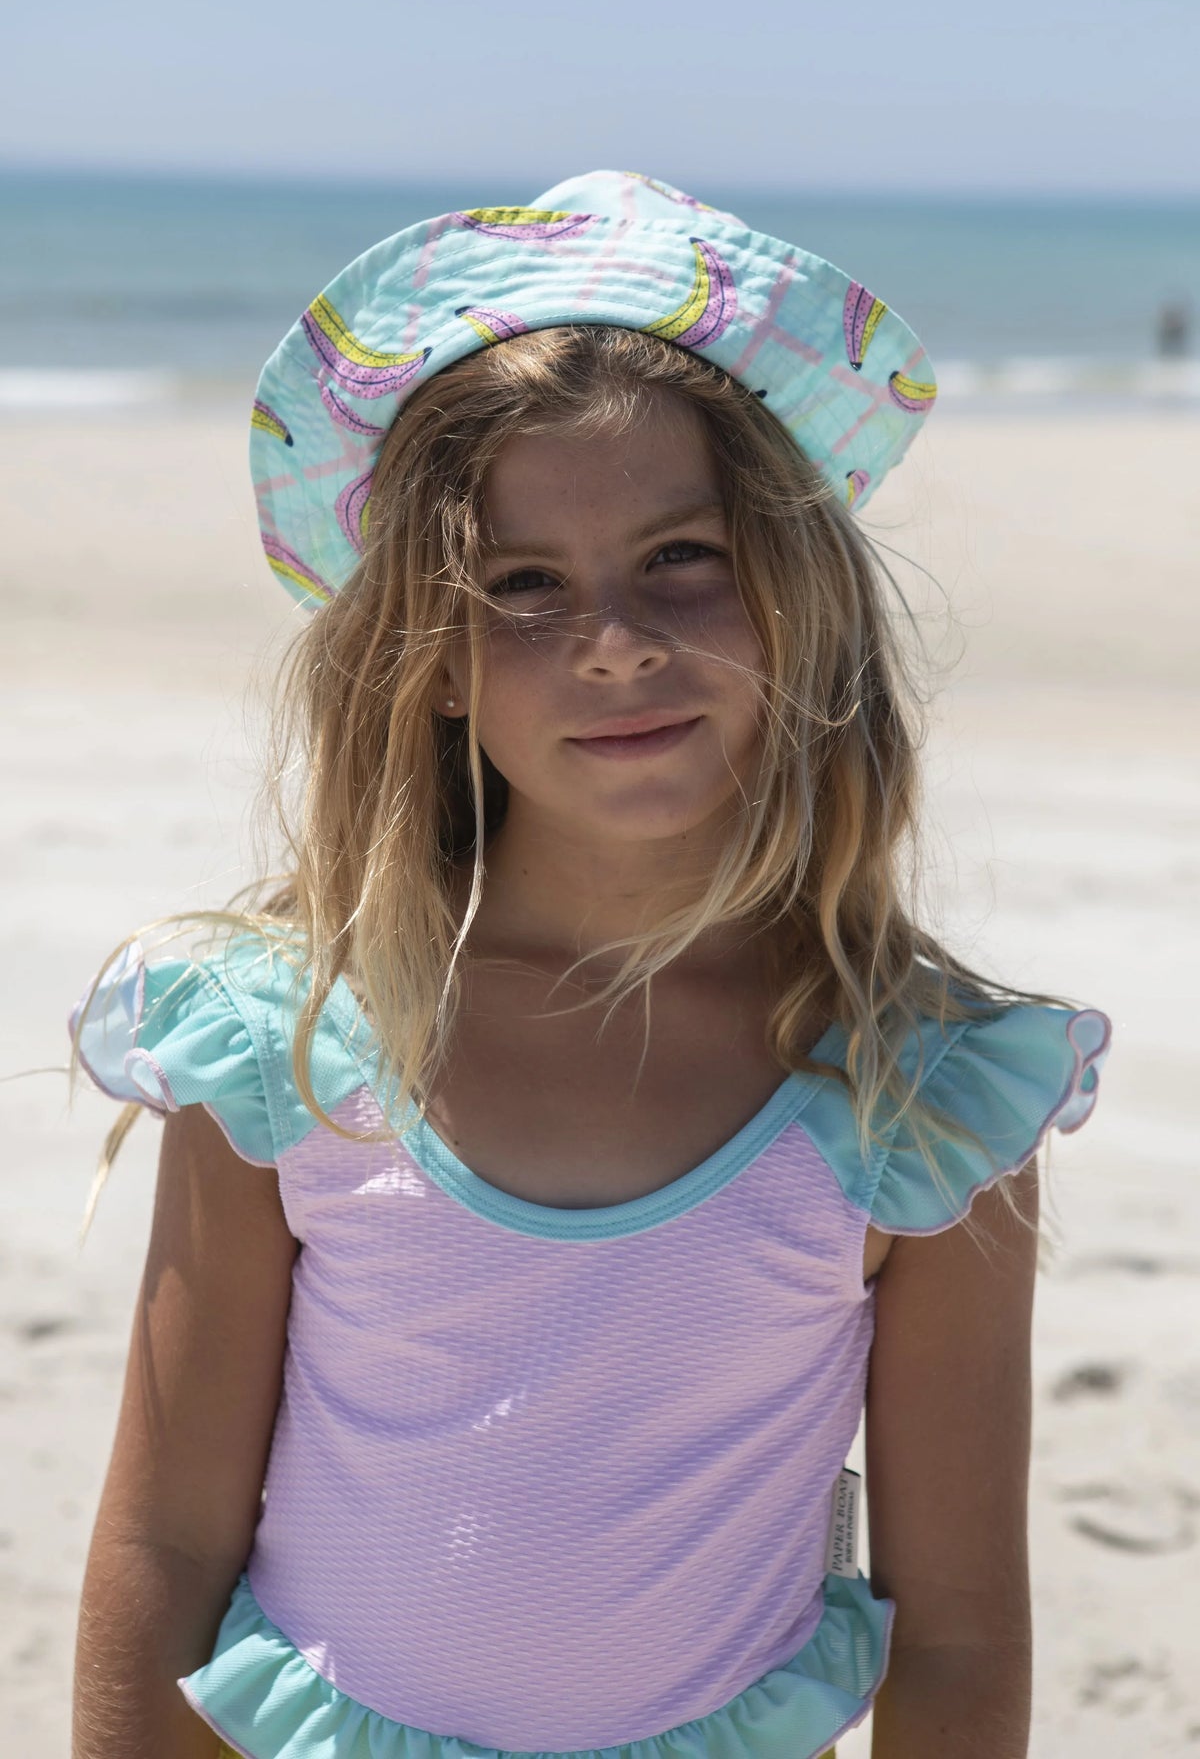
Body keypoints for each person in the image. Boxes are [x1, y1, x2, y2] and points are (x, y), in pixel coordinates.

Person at [66, 170, 1111, 1759]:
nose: (615, 640)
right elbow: (167, 1545)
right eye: (523, 584)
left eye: (681, 555)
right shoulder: (293, 1040)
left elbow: (958, 1636)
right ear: (425, 654)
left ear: (795, 595)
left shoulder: (922, 1093)